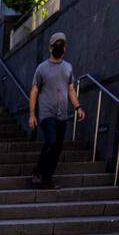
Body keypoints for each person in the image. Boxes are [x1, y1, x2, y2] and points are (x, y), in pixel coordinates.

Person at [28, 32, 85, 190]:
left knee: (57, 148)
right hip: (47, 114)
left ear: (65, 48)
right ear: (50, 48)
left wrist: (78, 107)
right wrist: (32, 114)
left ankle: (46, 178)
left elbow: (71, 89)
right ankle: (39, 171)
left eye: (62, 44)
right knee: (51, 142)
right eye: (56, 44)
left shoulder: (68, 68)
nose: (59, 47)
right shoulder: (42, 68)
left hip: (63, 114)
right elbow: (34, 91)